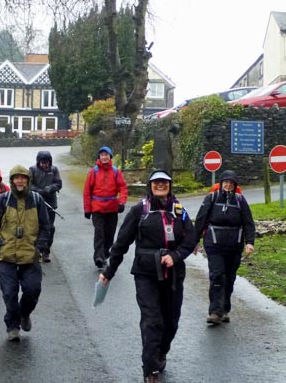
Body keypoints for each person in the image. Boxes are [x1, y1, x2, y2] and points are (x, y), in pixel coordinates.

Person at [99, 170, 196, 383]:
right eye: (156, 182)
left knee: (171, 323)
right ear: (150, 185)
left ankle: (161, 353)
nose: (160, 185)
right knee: (152, 320)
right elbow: (121, 244)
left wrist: (176, 255)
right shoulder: (139, 210)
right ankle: (150, 370)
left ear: (170, 185)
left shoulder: (180, 211)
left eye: (164, 182)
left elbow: (191, 239)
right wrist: (108, 271)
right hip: (146, 274)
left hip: (173, 275)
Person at [0, 165, 50, 342]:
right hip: (7, 254)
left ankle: (24, 314)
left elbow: (46, 227)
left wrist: (38, 246)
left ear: (28, 180)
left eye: (23, 178)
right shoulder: (4, 199)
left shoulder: (37, 200)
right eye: (16, 178)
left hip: (30, 255)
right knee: (9, 292)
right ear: (12, 180)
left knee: (33, 290)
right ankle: (12, 325)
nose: (20, 181)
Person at [193, 170, 255, 325]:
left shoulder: (240, 201)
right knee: (217, 275)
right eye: (226, 182)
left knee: (229, 277)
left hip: (234, 245)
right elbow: (200, 220)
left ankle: (225, 309)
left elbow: (248, 222)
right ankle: (215, 311)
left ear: (235, 186)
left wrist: (250, 242)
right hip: (214, 245)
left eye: (231, 183)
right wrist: (194, 242)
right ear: (220, 184)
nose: (228, 185)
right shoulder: (211, 198)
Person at [83, 146, 128, 269]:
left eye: (106, 155)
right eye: (102, 155)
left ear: (110, 157)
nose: (104, 157)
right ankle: (98, 257)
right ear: (99, 157)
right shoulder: (93, 172)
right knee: (99, 233)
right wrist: (87, 209)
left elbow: (123, 188)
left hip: (112, 209)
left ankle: (104, 253)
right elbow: (87, 191)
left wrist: (122, 202)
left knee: (110, 234)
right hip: (97, 208)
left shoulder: (116, 172)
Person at [29, 150, 63, 262]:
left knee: (49, 228)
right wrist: (38, 191)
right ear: (38, 162)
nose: (45, 164)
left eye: (47, 162)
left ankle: (46, 251)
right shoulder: (32, 170)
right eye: (42, 162)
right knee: (36, 228)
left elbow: (58, 183)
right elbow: (29, 184)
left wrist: (50, 188)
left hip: (51, 203)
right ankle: (37, 251)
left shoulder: (54, 170)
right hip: (36, 203)